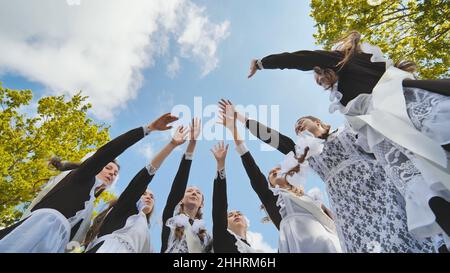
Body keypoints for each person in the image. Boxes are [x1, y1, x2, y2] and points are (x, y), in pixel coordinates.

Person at [218, 99, 437, 253]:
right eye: (296, 128)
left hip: (378, 191)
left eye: (302, 121)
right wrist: (240, 119)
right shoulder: (308, 154)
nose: (298, 127)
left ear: (320, 122)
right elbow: (275, 140)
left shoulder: (348, 133)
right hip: (346, 210)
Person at [0, 113, 178, 253]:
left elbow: (73, 244)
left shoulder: (89, 206)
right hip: (36, 230)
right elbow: (109, 150)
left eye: (115, 173)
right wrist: (149, 128)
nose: (112, 173)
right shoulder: (81, 177)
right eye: (108, 168)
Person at [218, 109, 341, 253]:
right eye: (271, 173)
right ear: (269, 184)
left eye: (278, 170)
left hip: (326, 241)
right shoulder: (271, 199)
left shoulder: (309, 198)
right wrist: (234, 129)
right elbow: (253, 168)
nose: (275, 171)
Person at [84, 124, 189, 253]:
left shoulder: (145, 233)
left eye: (152, 196)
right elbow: (143, 179)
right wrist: (171, 145)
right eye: (144, 193)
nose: (148, 197)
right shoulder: (123, 208)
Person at [161, 118, 212, 253]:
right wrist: (192, 144)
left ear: (202, 203)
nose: (194, 193)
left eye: (198, 192)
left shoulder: (207, 235)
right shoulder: (171, 219)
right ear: (181, 199)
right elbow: (179, 183)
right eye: (189, 191)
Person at [211, 141, 259, 253]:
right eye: (230, 215)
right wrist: (220, 166)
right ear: (225, 223)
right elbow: (219, 206)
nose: (236, 215)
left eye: (239, 213)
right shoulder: (222, 237)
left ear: (247, 223)